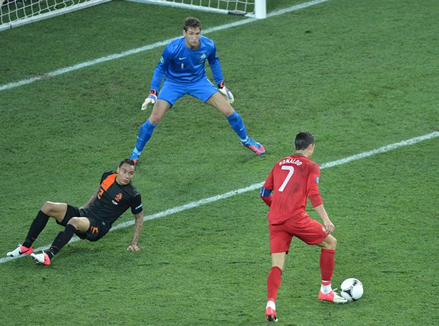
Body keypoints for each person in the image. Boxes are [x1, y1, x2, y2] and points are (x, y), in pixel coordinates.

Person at [129, 17, 265, 163]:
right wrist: (153, 92)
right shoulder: (172, 48)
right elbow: (160, 68)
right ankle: (135, 154)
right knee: (155, 118)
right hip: (174, 83)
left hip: (198, 82)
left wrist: (221, 85)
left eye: (197, 33)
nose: (194, 38)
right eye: (191, 34)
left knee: (229, 111)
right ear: (184, 33)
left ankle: (246, 140)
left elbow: (214, 61)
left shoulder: (208, 45)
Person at [260, 131, 347, 322]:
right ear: (310, 147)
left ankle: (270, 304)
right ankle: (325, 290)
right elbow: (313, 194)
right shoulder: (310, 166)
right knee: (330, 243)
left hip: (275, 220)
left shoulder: (279, 163)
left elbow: (264, 192)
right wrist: (326, 220)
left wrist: (277, 208)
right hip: (296, 219)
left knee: (277, 266)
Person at [6, 159, 143, 266]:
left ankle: (48, 256)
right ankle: (26, 247)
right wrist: (84, 207)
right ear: (118, 169)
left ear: (133, 174)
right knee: (48, 206)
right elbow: (98, 192)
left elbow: (139, 217)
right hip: (85, 214)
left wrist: (134, 243)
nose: (126, 176)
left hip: (98, 226)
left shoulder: (133, 194)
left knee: (74, 222)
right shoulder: (107, 175)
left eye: (130, 173)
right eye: (124, 171)